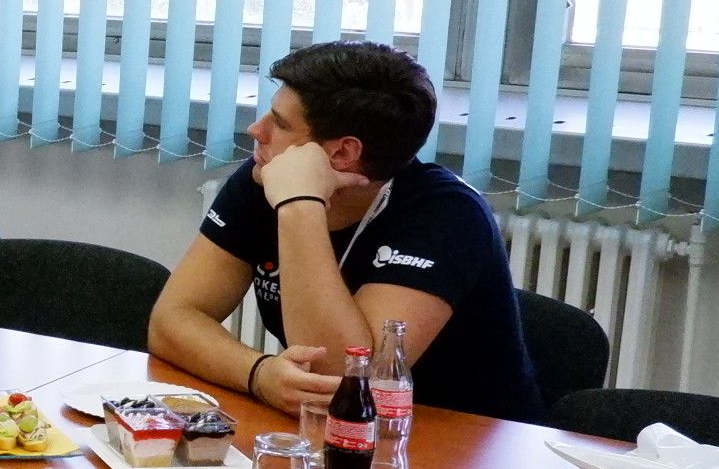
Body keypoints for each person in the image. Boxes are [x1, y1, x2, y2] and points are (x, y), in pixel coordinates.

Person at [149, 41, 543, 422]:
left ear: (342, 153)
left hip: (462, 442)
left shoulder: (448, 215)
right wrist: (259, 374)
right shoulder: (261, 178)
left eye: (280, 124)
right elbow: (170, 321)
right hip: (334, 433)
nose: (256, 129)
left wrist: (300, 204)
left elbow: (343, 381)